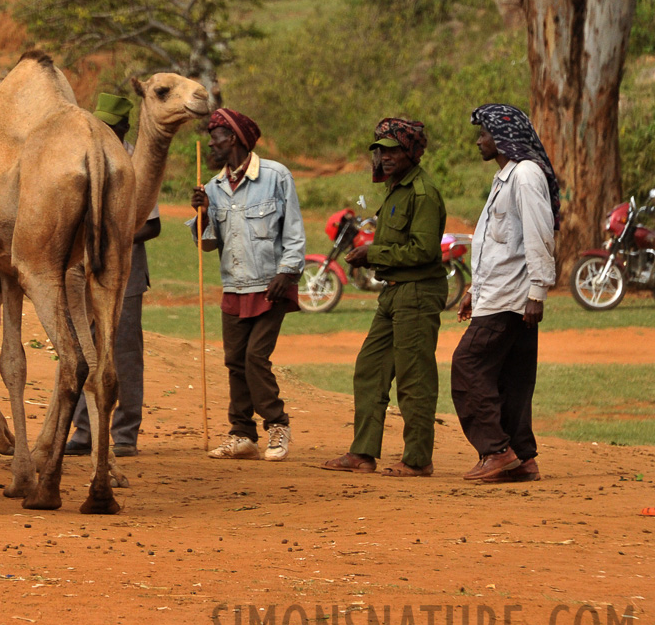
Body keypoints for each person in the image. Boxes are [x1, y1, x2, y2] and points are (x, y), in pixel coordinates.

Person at [323, 118, 447, 477]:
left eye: (392, 150)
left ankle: (418, 459)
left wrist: (372, 255)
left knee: (414, 378)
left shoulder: (423, 192)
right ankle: (362, 453)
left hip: (418, 292)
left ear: (410, 152)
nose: (384, 156)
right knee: (370, 369)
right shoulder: (396, 188)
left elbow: (424, 251)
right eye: (379, 149)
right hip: (394, 293)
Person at [188, 108, 305, 461]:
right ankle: (241, 434)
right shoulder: (212, 187)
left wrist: (286, 273)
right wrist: (204, 213)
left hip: (272, 285)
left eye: (217, 136)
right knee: (234, 360)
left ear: (235, 139)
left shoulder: (275, 176)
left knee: (255, 357)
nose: (211, 143)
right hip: (234, 286)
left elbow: (294, 232)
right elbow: (206, 244)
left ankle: (277, 425)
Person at [450, 104, 557, 482]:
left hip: (511, 299)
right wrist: (474, 293)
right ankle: (523, 458)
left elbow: (539, 233)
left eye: (484, 133)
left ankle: (496, 451)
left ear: (503, 137)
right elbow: (499, 246)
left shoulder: (525, 176)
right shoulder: (507, 178)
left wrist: (538, 292)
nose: (479, 140)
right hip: (501, 296)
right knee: (511, 379)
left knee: (468, 368)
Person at [65, 92, 161, 458]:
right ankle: (85, 431)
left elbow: (151, 226)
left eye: (110, 125)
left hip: (127, 269)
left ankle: (124, 433)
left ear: (123, 127)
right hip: (84, 266)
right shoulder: (82, 151)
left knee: (123, 351)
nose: (103, 129)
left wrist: (113, 235)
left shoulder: (135, 161)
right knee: (83, 348)